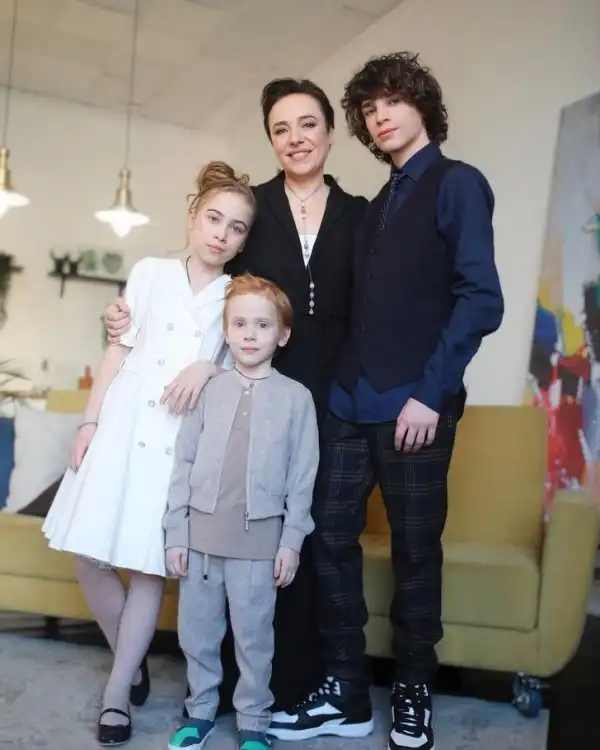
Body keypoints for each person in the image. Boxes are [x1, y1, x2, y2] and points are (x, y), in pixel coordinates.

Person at [103, 77, 368, 710]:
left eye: (307, 124)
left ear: (331, 133)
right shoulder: (256, 208)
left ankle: (293, 686)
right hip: (247, 391)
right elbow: (206, 292)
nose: (295, 138)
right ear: (271, 140)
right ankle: (217, 689)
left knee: (304, 535)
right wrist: (124, 321)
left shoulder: (359, 213)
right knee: (232, 533)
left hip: (332, 397)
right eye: (281, 128)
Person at [268, 52, 505, 750]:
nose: (381, 117)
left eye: (393, 101)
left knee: (415, 551)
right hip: (349, 401)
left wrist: (432, 393)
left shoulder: (458, 184)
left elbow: (481, 298)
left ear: (422, 105)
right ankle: (346, 689)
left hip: (415, 407)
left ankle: (412, 691)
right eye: (369, 110)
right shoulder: (372, 209)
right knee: (326, 536)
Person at [42, 161, 256, 746]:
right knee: (88, 555)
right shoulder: (150, 272)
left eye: (236, 228)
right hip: (122, 420)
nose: (221, 234)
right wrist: (89, 421)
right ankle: (130, 660)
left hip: (177, 438)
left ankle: (117, 695)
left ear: (243, 241)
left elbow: (248, 368)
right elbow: (117, 350)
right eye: (214, 218)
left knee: (147, 568)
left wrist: (209, 366)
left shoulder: (237, 296)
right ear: (192, 217)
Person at [163, 274, 319, 750]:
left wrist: (291, 542)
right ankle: (200, 712)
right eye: (240, 323)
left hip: (259, 544)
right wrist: (176, 532)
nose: (250, 334)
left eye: (262, 325)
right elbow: (183, 462)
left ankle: (254, 721)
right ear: (226, 331)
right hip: (201, 541)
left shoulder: (297, 398)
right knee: (198, 635)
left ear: (283, 335)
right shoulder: (209, 390)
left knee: (254, 639)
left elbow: (302, 477)